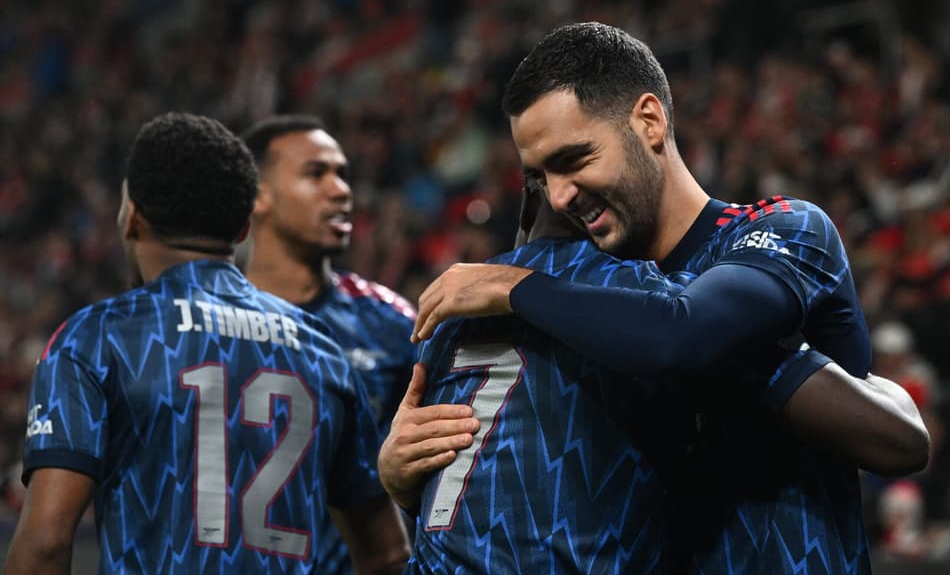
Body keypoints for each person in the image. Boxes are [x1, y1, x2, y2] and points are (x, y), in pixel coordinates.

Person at [405, 23, 929, 573]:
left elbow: (679, 334)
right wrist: (404, 480)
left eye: (575, 159)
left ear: (649, 122)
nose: (558, 195)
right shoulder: (586, 299)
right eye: (539, 177)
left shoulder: (780, 229)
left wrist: (511, 284)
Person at [381, 183, 928, 575]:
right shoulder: (641, 299)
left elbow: (462, 502)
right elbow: (902, 438)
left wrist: (401, 487)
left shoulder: (450, 313)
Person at [2, 113, 409, 575]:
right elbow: (388, 554)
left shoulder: (96, 337)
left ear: (132, 217)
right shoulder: (321, 347)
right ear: (241, 230)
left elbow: (47, 543)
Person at [241, 115, 418, 575]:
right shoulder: (207, 325)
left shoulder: (390, 323)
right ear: (257, 195)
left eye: (342, 173)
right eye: (315, 174)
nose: (341, 190)